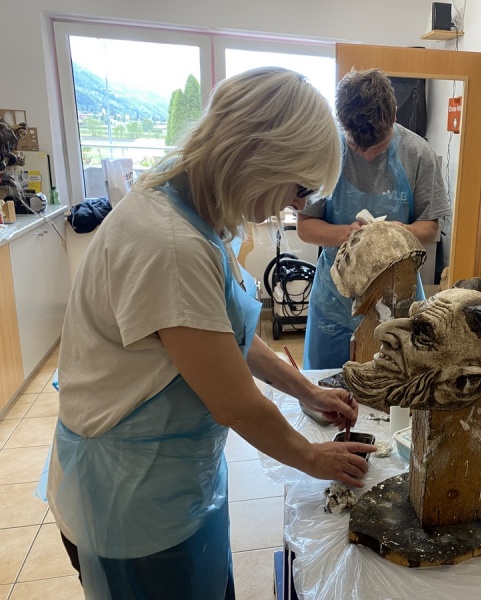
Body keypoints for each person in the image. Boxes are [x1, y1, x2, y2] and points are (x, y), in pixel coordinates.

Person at [43, 67, 375, 600]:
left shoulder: (191, 202)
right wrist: (313, 459)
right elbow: (235, 404)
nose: (296, 205)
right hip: (132, 499)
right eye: (298, 188)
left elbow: (224, 335)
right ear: (261, 156)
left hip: (171, 480)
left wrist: (306, 390)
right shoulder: (169, 243)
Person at [297, 68, 451, 370]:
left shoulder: (418, 153)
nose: (367, 156)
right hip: (334, 302)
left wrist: (398, 234)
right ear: (343, 124)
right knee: (326, 385)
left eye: (377, 147)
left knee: (395, 385)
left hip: (398, 296)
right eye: (357, 146)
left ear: (394, 115)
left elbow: (430, 228)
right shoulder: (325, 152)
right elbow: (305, 227)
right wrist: (349, 235)